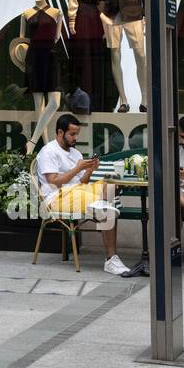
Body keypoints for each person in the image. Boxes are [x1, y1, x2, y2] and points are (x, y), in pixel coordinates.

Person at [36, 114, 128, 275]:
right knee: (106, 207)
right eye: (72, 134)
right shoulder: (48, 151)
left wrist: (90, 170)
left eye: (76, 134)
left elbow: (83, 183)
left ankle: (103, 208)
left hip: (78, 192)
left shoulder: (75, 153)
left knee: (111, 184)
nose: (75, 138)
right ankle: (111, 259)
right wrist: (78, 168)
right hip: (57, 197)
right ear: (59, 132)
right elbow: (54, 181)